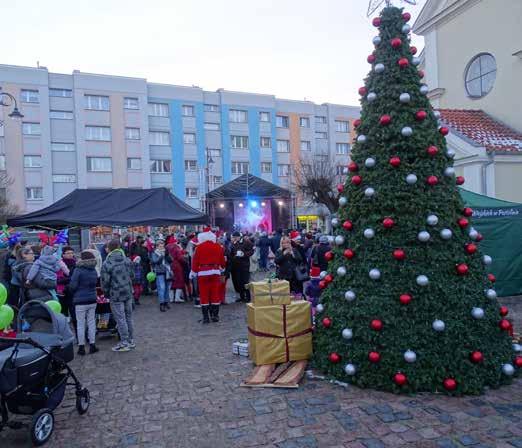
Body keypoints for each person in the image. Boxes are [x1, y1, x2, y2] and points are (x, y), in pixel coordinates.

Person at [101, 239, 135, 352]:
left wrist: (106, 293)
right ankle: (130, 340)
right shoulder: (126, 260)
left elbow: (105, 282)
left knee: (120, 318)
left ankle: (125, 342)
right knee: (128, 317)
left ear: (109, 248)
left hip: (116, 294)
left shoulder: (107, 263)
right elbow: (132, 275)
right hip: (128, 292)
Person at [191, 228, 226, 323]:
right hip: (215, 271)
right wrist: (222, 267)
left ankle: (206, 317)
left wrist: (193, 271)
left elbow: (195, 261)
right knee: (215, 293)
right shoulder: (218, 247)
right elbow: (222, 261)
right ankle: (215, 316)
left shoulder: (199, 248)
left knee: (204, 294)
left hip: (203, 272)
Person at [69, 251, 99, 355]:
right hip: (92, 299)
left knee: (80, 324)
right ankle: (92, 345)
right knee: (91, 322)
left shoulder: (78, 270)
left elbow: (72, 286)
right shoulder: (93, 270)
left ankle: (81, 347)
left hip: (80, 300)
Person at [230, 231, 254, 303]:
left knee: (245, 281)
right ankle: (242, 297)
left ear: (238, 237)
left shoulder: (246, 242)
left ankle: (248, 297)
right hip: (237, 265)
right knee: (239, 281)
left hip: (244, 265)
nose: (234, 239)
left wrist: (244, 254)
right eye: (233, 238)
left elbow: (252, 251)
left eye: (235, 237)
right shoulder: (234, 243)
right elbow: (232, 253)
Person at [150, 238, 172, 312]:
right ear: (157, 246)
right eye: (160, 245)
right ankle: (161, 304)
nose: (162, 247)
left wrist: (167, 256)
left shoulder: (166, 252)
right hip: (159, 272)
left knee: (166, 288)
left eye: (162, 245)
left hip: (167, 272)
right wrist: (161, 256)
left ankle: (166, 302)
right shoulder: (154, 253)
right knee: (161, 288)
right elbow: (155, 261)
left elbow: (171, 260)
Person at [57, 246, 77, 318]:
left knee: (73, 308)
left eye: (72, 253)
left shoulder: (75, 263)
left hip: (73, 289)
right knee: (64, 308)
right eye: (68, 253)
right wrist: (70, 279)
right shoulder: (59, 264)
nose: (70, 254)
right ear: (63, 254)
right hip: (62, 290)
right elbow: (58, 280)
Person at [167, 238, 185, 303]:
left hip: (169, 266)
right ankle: (177, 298)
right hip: (176, 265)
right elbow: (180, 258)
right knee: (179, 280)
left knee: (171, 281)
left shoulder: (166, 247)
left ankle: (171, 298)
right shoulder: (176, 247)